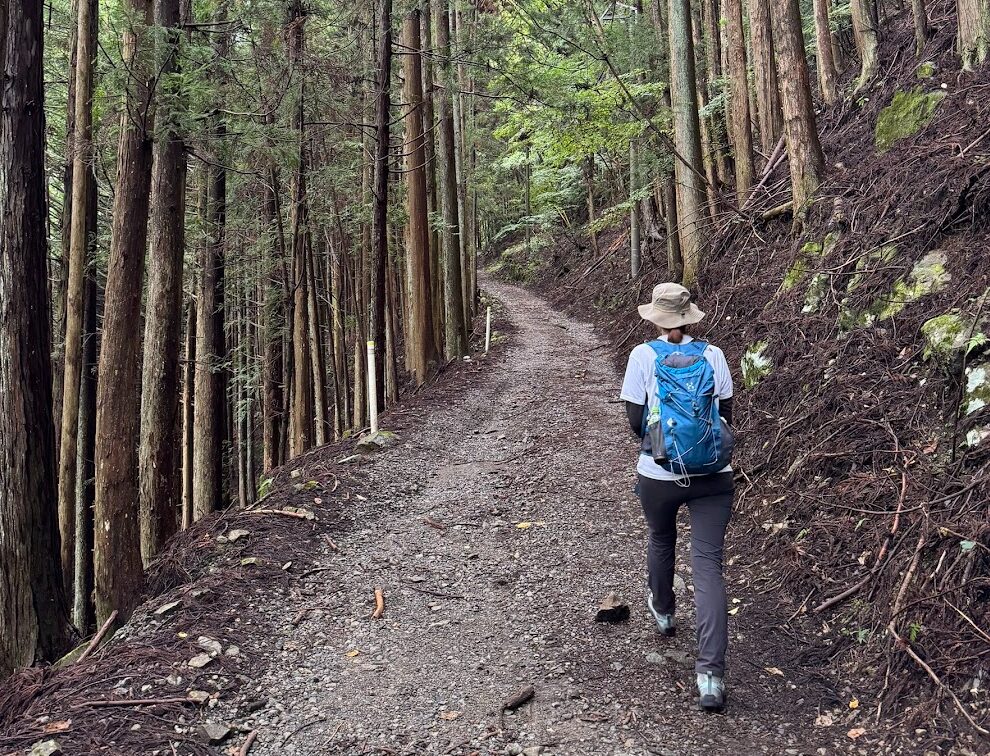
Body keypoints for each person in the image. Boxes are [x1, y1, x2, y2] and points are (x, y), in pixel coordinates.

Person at [619, 282, 735, 712]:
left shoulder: (642, 356)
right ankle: (710, 675)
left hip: (659, 472)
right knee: (707, 565)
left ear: (654, 317)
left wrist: (664, 448)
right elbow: (725, 417)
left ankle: (664, 612)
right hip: (714, 475)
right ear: (690, 317)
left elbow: (634, 419)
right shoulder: (715, 355)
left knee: (660, 537)